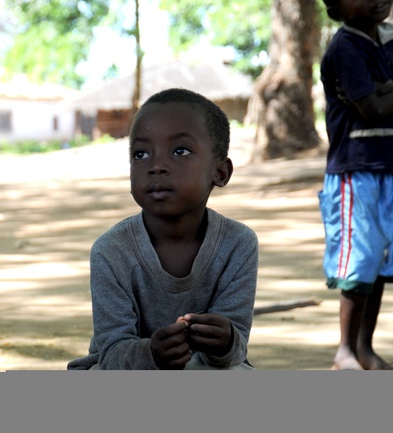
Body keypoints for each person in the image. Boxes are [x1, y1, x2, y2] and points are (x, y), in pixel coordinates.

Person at [67, 88, 259, 370]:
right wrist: (151, 354)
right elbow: (112, 354)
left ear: (220, 173)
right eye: (141, 154)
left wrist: (227, 340)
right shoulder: (110, 251)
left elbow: (235, 352)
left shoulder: (238, 244)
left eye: (180, 151)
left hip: (206, 368)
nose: (156, 166)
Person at [318, 0, 393, 369]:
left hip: (388, 167)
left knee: (378, 261)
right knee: (359, 261)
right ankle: (344, 350)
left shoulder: (389, 39)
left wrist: (384, 89)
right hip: (356, 171)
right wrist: (379, 94)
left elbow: (381, 100)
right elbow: (373, 109)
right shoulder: (344, 48)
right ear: (337, 7)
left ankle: (365, 347)